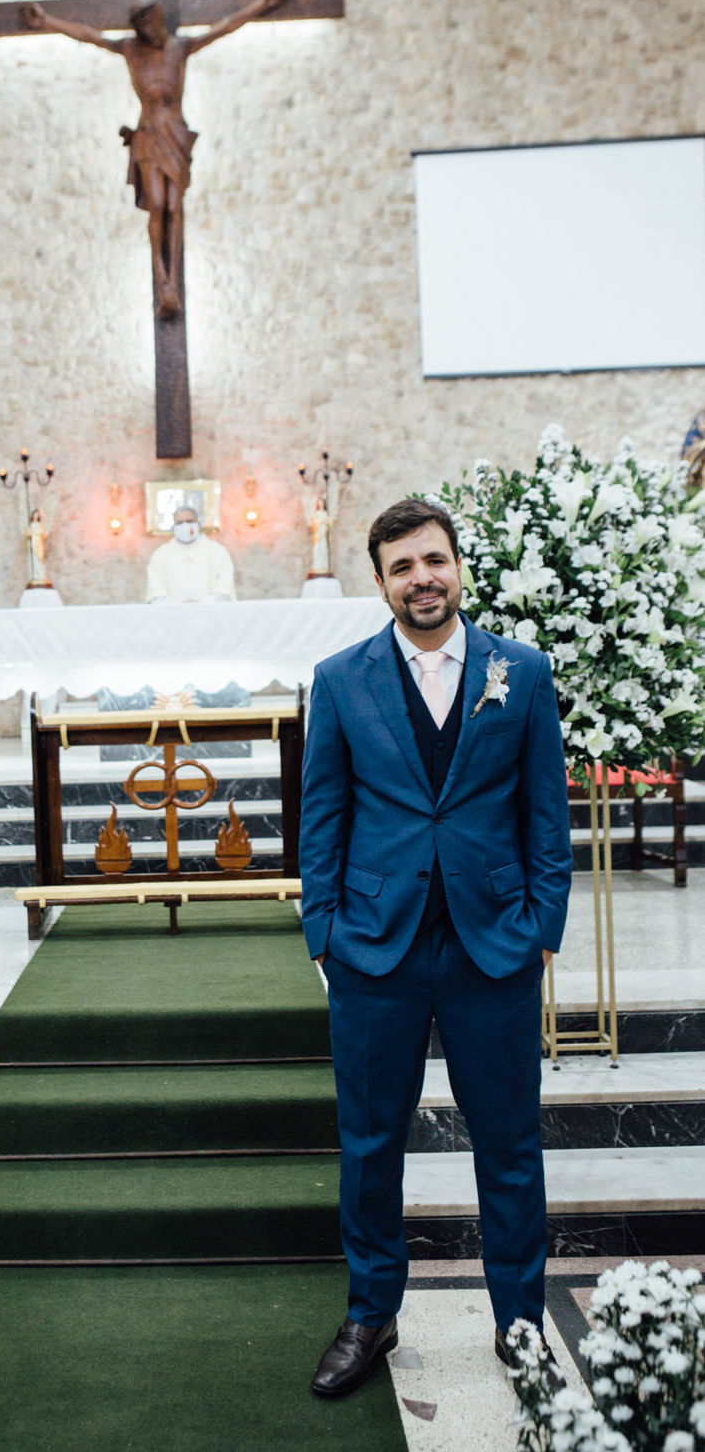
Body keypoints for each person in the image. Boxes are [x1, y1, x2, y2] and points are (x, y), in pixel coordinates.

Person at [299, 497, 572, 1398]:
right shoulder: (339, 680)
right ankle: (370, 1314)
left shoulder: (520, 673)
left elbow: (545, 815)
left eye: (434, 560)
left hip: (492, 948)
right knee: (371, 1142)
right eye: (402, 567)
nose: (422, 579)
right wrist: (323, 933)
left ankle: (520, 1322)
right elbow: (323, 815)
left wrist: (540, 929)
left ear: (459, 565)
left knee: (506, 1143)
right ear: (379, 584)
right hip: (373, 951)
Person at [21, 0, 287, 318]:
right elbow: (88, 35)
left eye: (153, 21)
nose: (150, 30)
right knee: (157, 204)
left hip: (174, 133)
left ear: (160, 19)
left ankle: (172, 281)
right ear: (138, 29)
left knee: (175, 207)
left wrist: (263, 3)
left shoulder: (181, 47)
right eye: (143, 25)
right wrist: (47, 21)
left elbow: (225, 26)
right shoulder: (130, 50)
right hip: (147, 133)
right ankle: (162, 281)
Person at [146, 505, 235, 603]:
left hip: (209, 612)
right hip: (171, 613)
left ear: (198, 524)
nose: (185, 526)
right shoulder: (160, 555)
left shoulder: (217, 551)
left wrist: (206, 604)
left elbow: (224, 584)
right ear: (173, 527)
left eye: (189, 521)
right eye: (179, 522)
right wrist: (174, 606)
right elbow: (156, 588)